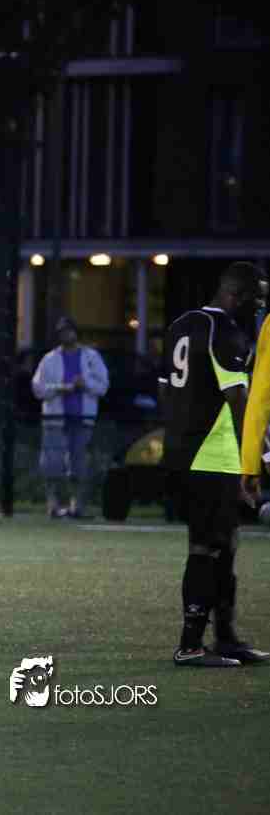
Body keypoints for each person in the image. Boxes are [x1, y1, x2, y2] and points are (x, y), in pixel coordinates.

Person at [161, 261, 268, 667]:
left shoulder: (179, 326)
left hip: (184, 451)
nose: (258, 309)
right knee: (207, 546)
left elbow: (165, 390)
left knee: (225, 543)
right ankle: (190, 644)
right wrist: (258, 457)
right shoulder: (223, 330)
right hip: (213, 453)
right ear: (235, 296)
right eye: (255, 300)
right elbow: (239, 401)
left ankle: (226, 637)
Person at [31, 317, 110, 519]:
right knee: (52, 462)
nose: (66, 334)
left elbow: (103, 386)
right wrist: (62, 388)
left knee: (79, 463)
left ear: (76, 332)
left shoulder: (91, 357)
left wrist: (85, 385)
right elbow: (38, 388)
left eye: (69, 330)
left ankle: (77, 507)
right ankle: (53, 505)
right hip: (55, 417)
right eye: (62, 331)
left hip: (83, 417)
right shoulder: (49, 359)